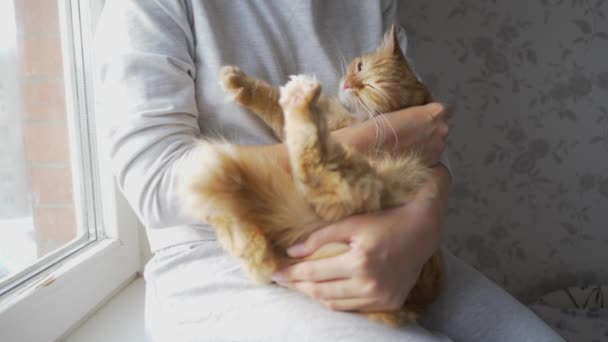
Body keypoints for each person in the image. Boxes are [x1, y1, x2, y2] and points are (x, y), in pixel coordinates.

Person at [95, 1, 564, 341]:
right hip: (227, 257)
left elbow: (426, 138)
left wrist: (422, 224)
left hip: (387, 228)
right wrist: (372, 139)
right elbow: (155, 184)